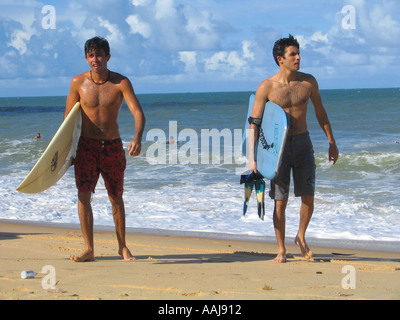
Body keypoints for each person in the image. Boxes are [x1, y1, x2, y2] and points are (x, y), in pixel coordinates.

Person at [248, 34, 339, 263]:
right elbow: (254, 124)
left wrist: (331, 142)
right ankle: (281, 249)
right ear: (281, 59)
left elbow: (320, 112)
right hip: (276, 149)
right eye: (293, 54)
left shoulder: (308, 82)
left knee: (308, 197)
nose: (298, 58)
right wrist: (253, 159)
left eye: (298, 53)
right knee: (280, 200)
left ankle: (301, 236)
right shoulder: (266, 87)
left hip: (303, 142)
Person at [64, 37, 145, 262]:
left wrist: (137, 137)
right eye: (91, 55)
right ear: (86, 58)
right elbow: (67, 123)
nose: (95, 59)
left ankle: (123, 247)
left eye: (99, 55)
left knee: (116, 197)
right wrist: (65, 152)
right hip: (85, 147)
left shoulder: (121, 83)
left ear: (108, 57)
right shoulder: (77, 83)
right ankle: (89, 249)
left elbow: (138, 113)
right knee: (83, 196)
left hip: (112, 146)